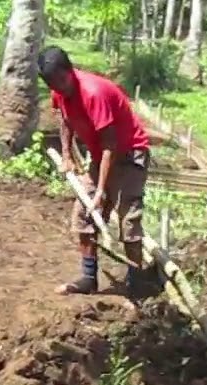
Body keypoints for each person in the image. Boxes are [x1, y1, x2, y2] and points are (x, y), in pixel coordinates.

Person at [37, 46, 152, 296]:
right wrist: (67, 155)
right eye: (52, 84)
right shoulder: (59, 92)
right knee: (83, 216)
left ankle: (136, 286)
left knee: (128, 220)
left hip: (129, 155)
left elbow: (111, 145)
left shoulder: (94, 93)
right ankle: (89, 279)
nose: (59, 88)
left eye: (61, 80)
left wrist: (101, 190)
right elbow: (64, 119)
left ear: (70, 71)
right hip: (102, 157)